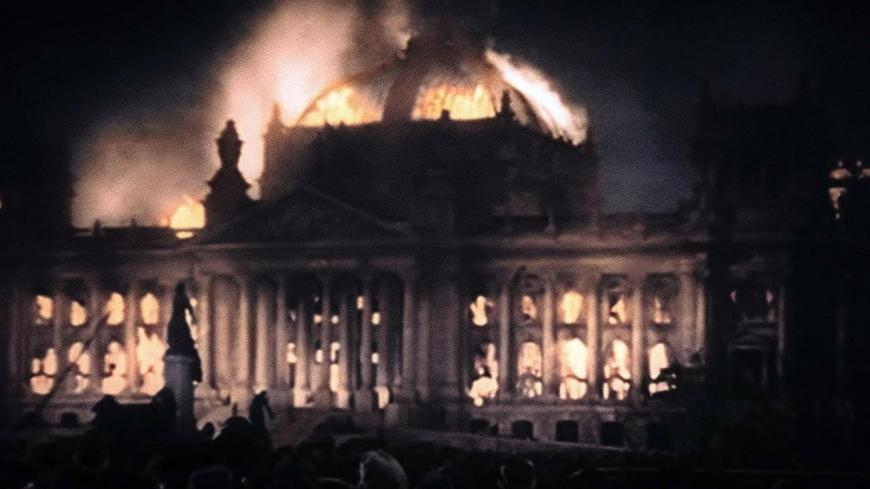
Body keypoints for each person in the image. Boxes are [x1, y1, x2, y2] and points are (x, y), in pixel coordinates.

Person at [166, 282, 202, 383]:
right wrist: (193, 318)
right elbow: (189, 308)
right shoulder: (183, 297)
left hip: (176, 322)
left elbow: (188, 309)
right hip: (179, 322)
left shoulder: (175, 298)